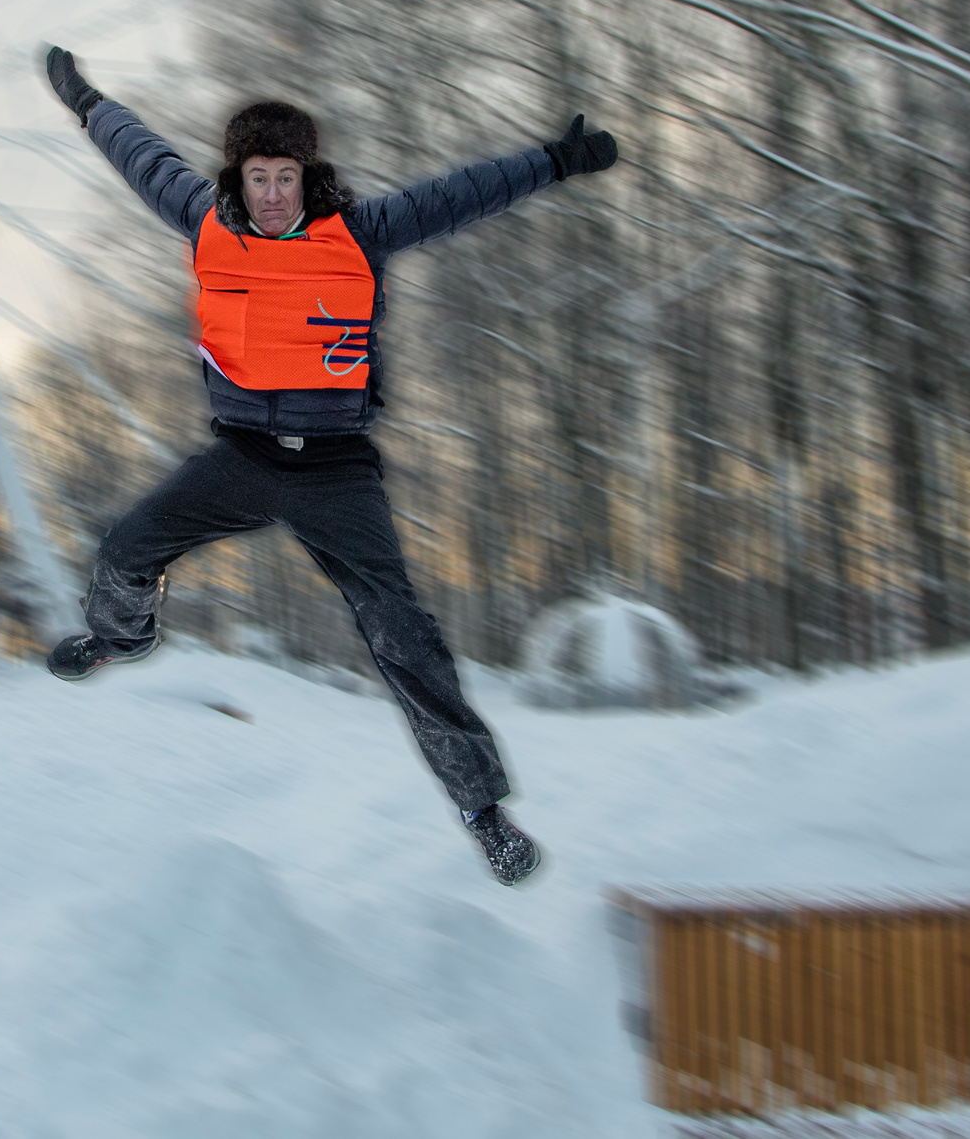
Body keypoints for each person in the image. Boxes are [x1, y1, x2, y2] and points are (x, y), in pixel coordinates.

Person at [39, 45, 618, 886]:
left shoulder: (363, 232)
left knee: (402, 632)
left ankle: (483, 811)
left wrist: (558, 160)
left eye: (286, 176)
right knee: (126, 547)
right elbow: (141, 153)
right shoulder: (204, 219)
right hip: (239, 457)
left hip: (336, 473)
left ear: (309, 176)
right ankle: (120, 636)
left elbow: (463, 193)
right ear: (237, 178)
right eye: (259, 176)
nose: (272, 194)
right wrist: (87, 102)